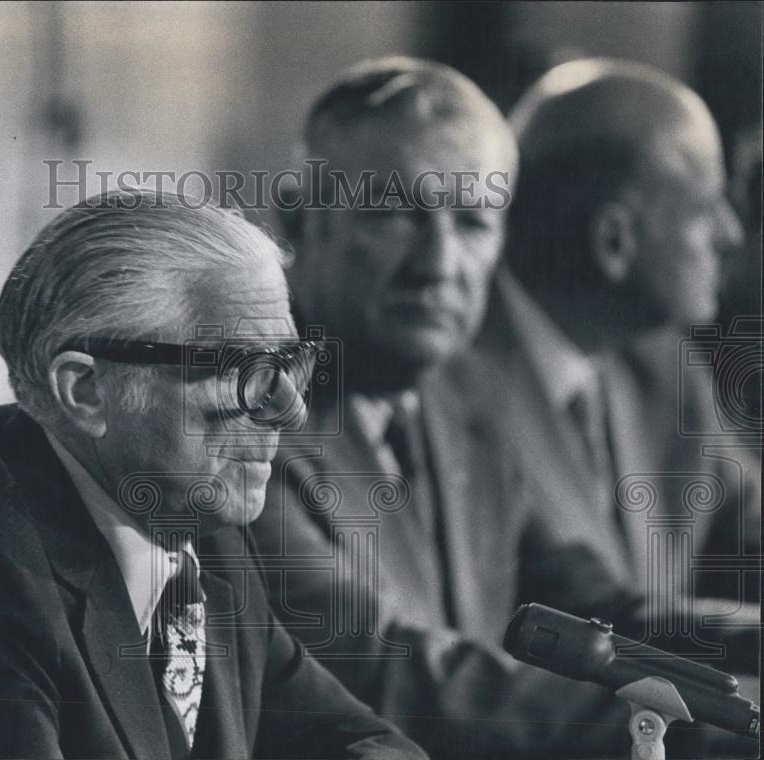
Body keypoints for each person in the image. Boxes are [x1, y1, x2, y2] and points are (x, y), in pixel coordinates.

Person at [0, 190, 426, 759]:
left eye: (291, 363)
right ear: (86, 391)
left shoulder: (203, 536)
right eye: (247, 372)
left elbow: (364, 742)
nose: (290, 406)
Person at [253, 56, 659, 760]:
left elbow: (600, 611)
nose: (439, 262)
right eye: (394, 212)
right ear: (298, 219)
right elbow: (384, 671)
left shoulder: (464, 394)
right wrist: (686, 726)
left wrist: (738, 676)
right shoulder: (246, 420)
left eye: (473, 222)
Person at [478, 58, 761, 618]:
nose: (731, 233)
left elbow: (753, 528)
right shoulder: (450, 387)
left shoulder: (661, 363)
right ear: (613, 241)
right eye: (707, 207)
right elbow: (596, 615)